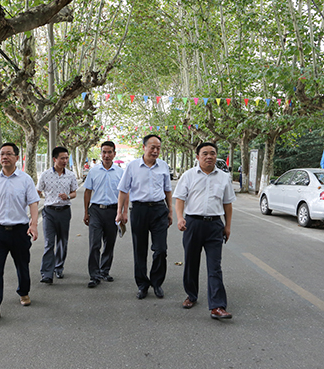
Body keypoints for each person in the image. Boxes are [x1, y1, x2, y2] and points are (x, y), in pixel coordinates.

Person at [174, 142, 236, 319]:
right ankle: (191, 295)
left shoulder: (224, 177)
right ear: (198, 157)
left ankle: (217, 306)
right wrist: (180, 218)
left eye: (213, 153)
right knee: (191, 262)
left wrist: (227, 226)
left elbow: (227, 204)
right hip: (193, 224)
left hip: (215, 225)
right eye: (205, 153)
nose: (209, 156)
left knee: (215, 266)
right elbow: (180, 199)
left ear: (216, 156)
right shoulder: (188, 175)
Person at [0, 142, 40, 324]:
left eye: (8, 154)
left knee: (22, 265)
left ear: (17, 157)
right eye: (2, 154)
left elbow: (33, 203)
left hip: (19, 231)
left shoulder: (25, 179)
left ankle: (23, 292)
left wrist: (34, 224)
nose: (4, 157)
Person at [116, 134, 172, 299]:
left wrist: (170, 210)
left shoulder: (163, 166)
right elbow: (123, 190)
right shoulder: (132, 166)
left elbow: (167, 190)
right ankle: (142, 284)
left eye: (158, 148)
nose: (155, 151)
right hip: (139, 210)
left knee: (161, 249)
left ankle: (157, 282)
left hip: (159, 210)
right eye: (152, 147)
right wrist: (120, 212)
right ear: (144, 147)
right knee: (139, 249)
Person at [83, 141, 124, 288]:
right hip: (96, 211)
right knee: (94, 243)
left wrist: (123, 212)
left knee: (109, 242)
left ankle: (104, 271)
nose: (106, 155)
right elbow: (87, 191)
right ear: (101, 153)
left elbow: (124, 193)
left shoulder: (120, 173)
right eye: (104, 152)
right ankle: (94, 275)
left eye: (109, 152)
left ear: (114, 154)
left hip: (113, 211)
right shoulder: (93, 171)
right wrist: (86, 212)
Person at [37, 146, 78, 283]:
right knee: (49, 242)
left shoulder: (70, 175)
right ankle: (46, 273)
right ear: (54, 159)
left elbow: (74, 193)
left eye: (66, 158)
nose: (65, 161)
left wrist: (68, 196)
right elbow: (38, 192)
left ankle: (59, 267)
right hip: (49, 212)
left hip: (64, 211)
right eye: (62, 158)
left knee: (62, 241)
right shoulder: (45, 175)